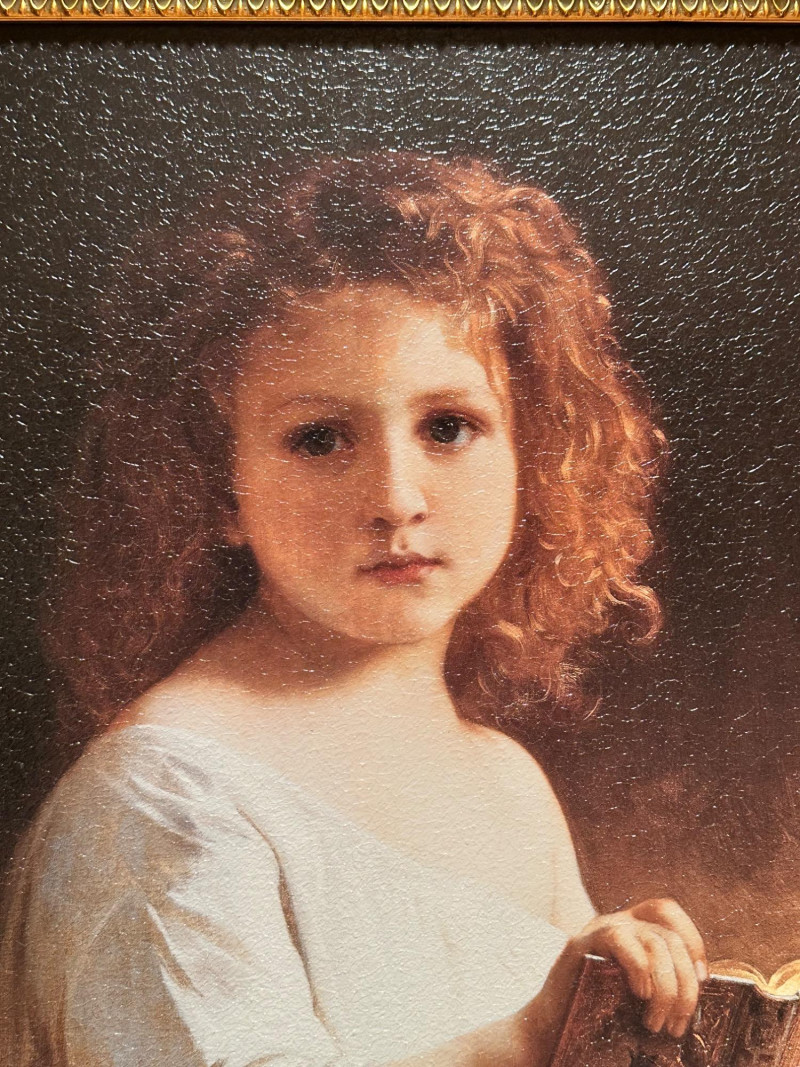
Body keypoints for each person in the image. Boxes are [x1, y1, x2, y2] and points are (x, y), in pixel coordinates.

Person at [0, 151, 707, 1067]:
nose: (396, 498)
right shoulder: (162, 797)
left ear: (528, 454)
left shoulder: (507, 784)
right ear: (220, 485)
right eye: (320, 439)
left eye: (448, 427)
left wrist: (625, 1001)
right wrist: (529, 1034)